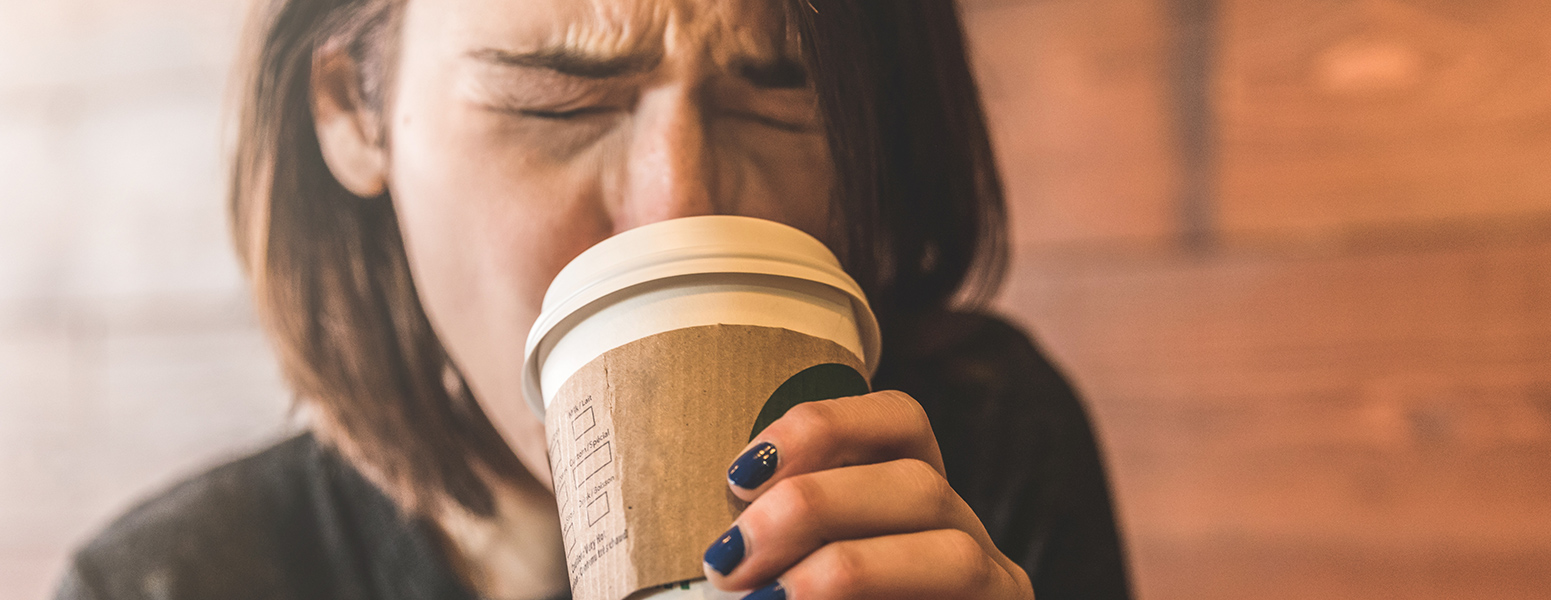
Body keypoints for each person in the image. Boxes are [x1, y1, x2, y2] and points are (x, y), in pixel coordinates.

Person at [55, 1, 1131, 599]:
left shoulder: (978, 452)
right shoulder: (174, 584)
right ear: (354, 111)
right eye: (557, 101)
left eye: (780, 94)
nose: (675, 211)